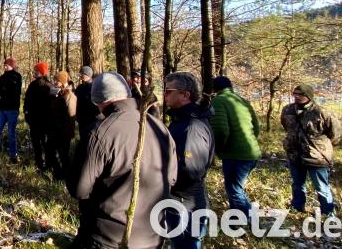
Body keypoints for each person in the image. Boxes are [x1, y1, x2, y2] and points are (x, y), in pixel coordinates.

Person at [67, 72, 177, 248]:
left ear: (97, 101)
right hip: (153, 235)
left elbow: (79, 189)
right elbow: (172, 178)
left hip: (107, 238)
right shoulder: (160, 128)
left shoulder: (100, 133)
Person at [163, 72, 215, 249]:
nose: (165, 95)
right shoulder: (181, 120)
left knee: (186, 244)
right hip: (179, 200)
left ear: (185, 95)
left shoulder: (192, 127)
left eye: (169, 91)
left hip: (186, 203)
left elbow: (191, 170)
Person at [281, 84, 342, 216]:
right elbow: (286, 126)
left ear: (308, 96)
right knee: (297, 185)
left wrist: (321, 147)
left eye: (300, 94)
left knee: (321, 187)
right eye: (294, 94)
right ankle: (297, 208)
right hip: (295, 156)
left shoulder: (322, 112)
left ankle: (328, 212)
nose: (296, 97)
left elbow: (335, 135)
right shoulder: (287, 110)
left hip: (317, 158)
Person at [209, 76, 261, 216]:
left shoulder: (218, 102)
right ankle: (235, 219)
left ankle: (250, 219)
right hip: (252, 152)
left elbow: (221, 130)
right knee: (236, 188)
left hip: (235, 154)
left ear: (214, 88)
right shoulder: (242, 100)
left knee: (234, 190)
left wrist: (217, 148)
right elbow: (256, 126)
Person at [46, 71, 77, 179]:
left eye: (57, 81)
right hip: (54, 130)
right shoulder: (57, 93)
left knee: (63, 155)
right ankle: (58, 173)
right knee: (49, 151)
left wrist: (66, 132)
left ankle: (66, 176)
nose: (55, 82)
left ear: (63, 82)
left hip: (64, 132)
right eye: (55, 80)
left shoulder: (69, 96)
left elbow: (71, 116)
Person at [24, 62, 55, 170]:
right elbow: (26, 100)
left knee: (45, 144)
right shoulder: (32, 85)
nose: (34, 72)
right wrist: (26, 112)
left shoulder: (49, 86)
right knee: (36, 143)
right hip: (34, 120)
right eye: (34, 70)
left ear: (42, 72)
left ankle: (48, 164)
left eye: (37, 71)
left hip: (45, 121)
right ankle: (39, 163)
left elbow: (53, 105)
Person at [0, 58, 23, 163]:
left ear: (11, 65)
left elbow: (16, 92)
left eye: (6, 65)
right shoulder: (2, 77)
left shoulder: (17, 76)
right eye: (4, 65)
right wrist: (4, 90)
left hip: (12, 109)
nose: (4, 66)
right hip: (2, 109)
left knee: (11, 133)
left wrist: (4, 89)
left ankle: (13, 155)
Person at [74, 66, 99, 142]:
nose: (80, 75)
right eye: (81, 73)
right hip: (81, 120)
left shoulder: (94, 87)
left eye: (82, 73)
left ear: (88, 75)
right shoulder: (79, 87)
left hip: (91, 120)